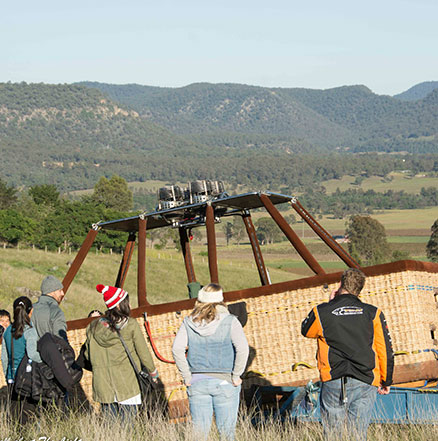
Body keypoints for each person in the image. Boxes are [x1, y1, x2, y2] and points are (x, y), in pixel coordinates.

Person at [301, 268, 394, 441]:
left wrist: (330, 302)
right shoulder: (373, 313)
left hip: (333, 378)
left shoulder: (322, 312)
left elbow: (306, 330)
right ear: (360, 289)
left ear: (340, 284)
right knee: (358, 434)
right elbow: (385, 350)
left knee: (332, 435)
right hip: (365, 380)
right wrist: (386, 380)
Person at [172, 283, 249, 441]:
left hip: (197, 383)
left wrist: (187, 376)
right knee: (227, 435)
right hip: (225, 382)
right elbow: (243, 349)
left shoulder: (188, 322)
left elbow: (177, 349)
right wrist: (236, 375)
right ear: (221, 300)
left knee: (199, 436)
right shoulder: (231, 321)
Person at [84, 284, 158, 419]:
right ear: (118, 305)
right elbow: (143, 353)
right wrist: (153, 373)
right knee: (128, 428)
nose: (129, 306)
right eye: (126, 302)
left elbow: (87, 355)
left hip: (103, 386)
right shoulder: (130, 325)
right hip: (127, 384)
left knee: (111, 429)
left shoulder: (92, 327)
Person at [1, 296, 42, 424]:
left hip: (12, 378)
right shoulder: (30, 331)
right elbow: (32, 354)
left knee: (15, 417)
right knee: (30, 418)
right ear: (30, 311)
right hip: (27, 380)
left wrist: (9, 375)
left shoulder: (8, 331)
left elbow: (4, 357)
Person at [32, 275, 67, 341]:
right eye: (60, 291)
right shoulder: (55, 311)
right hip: (50, 350)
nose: (62, 293)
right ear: (52, 292)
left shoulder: (30, 309)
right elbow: (60, 338)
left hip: (30, 350)